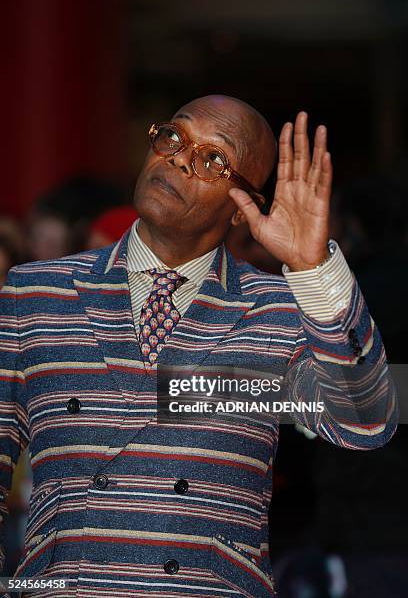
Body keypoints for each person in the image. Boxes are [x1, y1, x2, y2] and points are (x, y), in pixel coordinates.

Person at [0, 95, 397, 596]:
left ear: (241, 208)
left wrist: (313, 270)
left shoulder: (278, 310)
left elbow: (367, 422)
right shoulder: (36, 292)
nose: (180, 158)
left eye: (214, 159)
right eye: (174, 136)